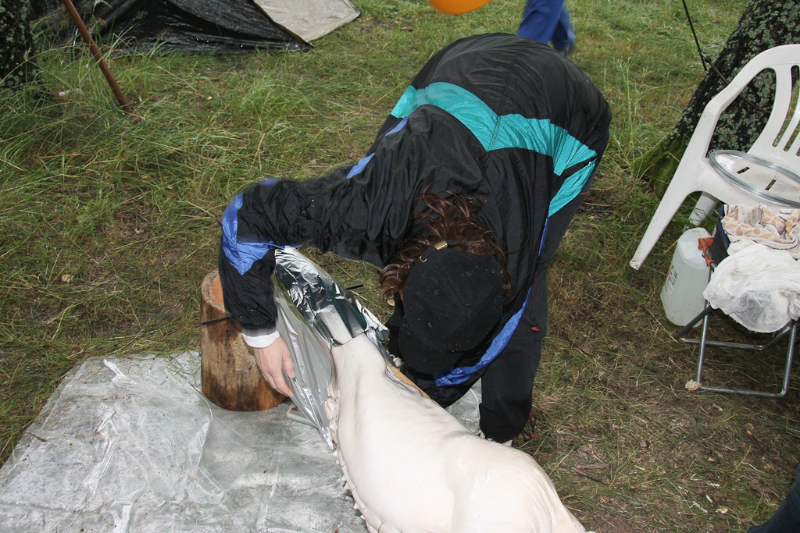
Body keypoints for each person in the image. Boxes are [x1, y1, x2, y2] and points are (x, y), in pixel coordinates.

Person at [218, 33, 611, 443]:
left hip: (568, 118)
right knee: (445, 307)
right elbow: (248, 215)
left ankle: (503, 430)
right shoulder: (363, 208)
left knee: (525, 302)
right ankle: (418, 349)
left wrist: (423, 399)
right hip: (467, 68)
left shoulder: (516, 252)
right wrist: (260, 333)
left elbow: (495, 329)